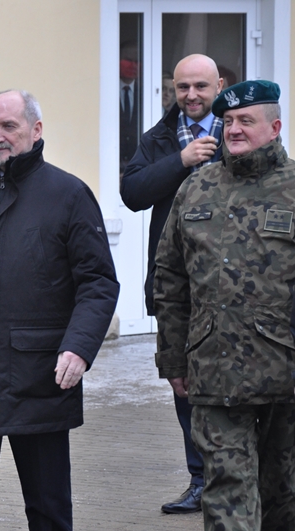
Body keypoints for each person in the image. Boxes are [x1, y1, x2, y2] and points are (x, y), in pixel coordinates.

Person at [0, 89, 119, 530]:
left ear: (36, 130)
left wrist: (79, 348)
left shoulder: (68, 194)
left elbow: (99, 283)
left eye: (8, 126)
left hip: (39, 377)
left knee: (47, 509)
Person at [154, 79, 295, 530]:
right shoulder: (196, 188)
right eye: (228, 120)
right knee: (226, 492)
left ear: (274, 127)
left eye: (246, 121)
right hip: (214, 371)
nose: (234, 129)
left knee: (284, 496)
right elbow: (170, 278)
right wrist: (173, 357)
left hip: (286, 372)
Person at [120, 53, 224, 514]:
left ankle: (243, 479)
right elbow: (133, 193)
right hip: (177, 291)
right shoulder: (160, 139)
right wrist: (181, 160)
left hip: (237, 289)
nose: (191, 96)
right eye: (183, 87)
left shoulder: (236, 131)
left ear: (219, 85)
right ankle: (200, 480)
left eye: (201, 86)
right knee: (184, 385)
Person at [120, 39, 142, 173]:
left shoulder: (145, 94)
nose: (133, 66)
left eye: (137, 61)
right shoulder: (108, 93)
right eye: (128, 60)